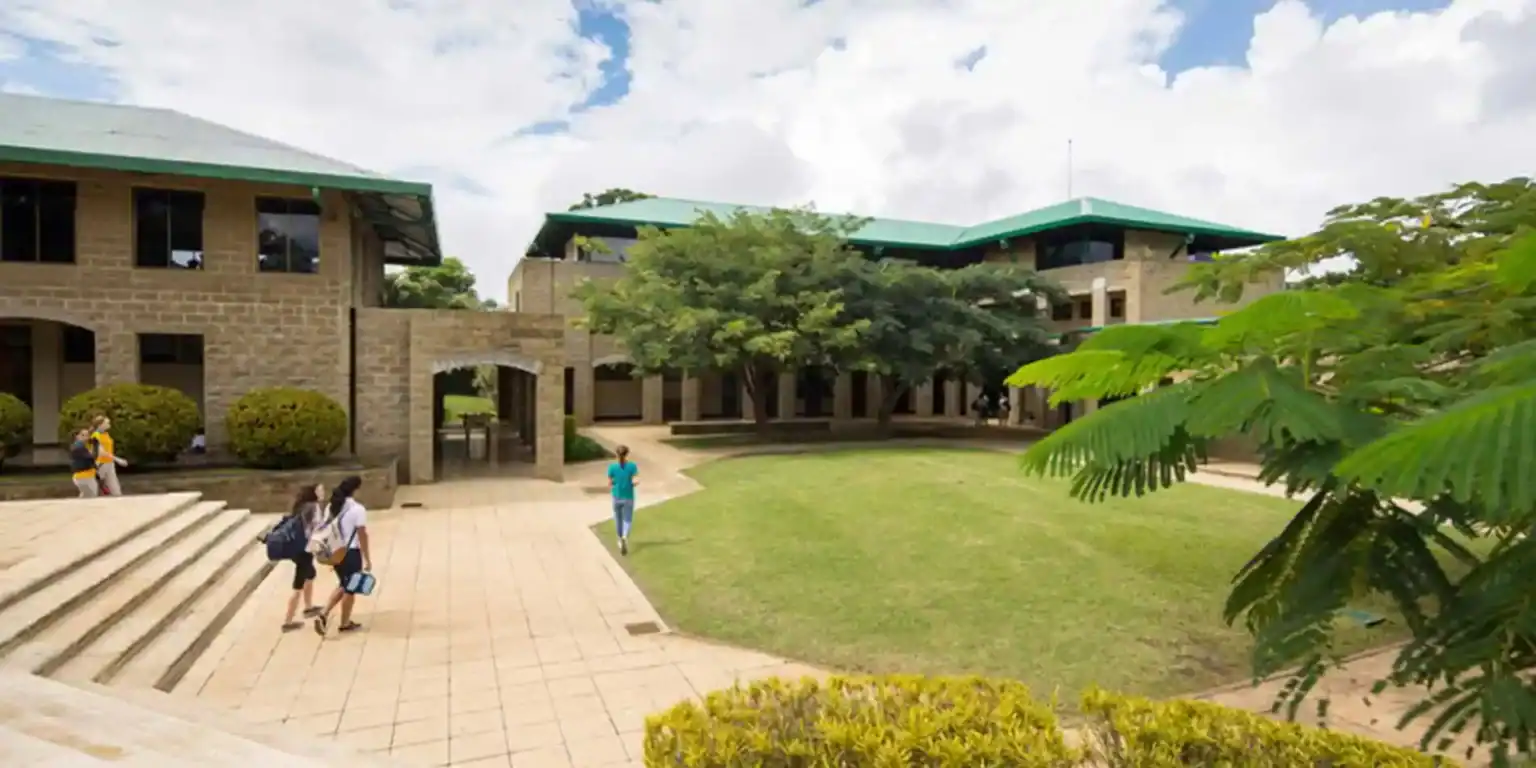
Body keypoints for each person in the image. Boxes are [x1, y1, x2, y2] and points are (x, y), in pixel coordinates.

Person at [314, 476, 370, 637]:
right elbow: (362, 535)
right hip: (351, 552)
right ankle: (343, 622)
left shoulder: (332, 506)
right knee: (350, 588)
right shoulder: (358, 509)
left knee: (344, 584)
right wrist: (367, 558)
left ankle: (324, 614)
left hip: (336, 551)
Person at [281, 484, 326, 632]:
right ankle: (287, 622)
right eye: (320, 490)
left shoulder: (301, 507)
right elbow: (317, 528)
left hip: (297, 548)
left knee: (310, 574)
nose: (323, 492)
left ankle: (308, 607)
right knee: (298, 585)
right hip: (304, 550)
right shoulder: (314, 507)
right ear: (313, 493)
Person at [607, 445, 639, 555]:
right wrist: (633, 483)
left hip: (616, 496)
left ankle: (619, 538)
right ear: (627, 454)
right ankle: (625, 536)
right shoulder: (632, 466)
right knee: (627, 519)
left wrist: (614, 485)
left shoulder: (612, 467)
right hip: (628, 497)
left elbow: (610, 483)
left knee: (618, 518)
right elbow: (635, 480)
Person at [89, 415, 127, 495]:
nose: (109, 424)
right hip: (101, 464)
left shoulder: (106, 434)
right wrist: (117, 459)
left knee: (115, 489)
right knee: (98, 487)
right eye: (107, 423)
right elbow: (101, 452)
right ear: (100, 425)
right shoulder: (95, 436)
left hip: (109, 463)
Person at [68, 427, 98, 498]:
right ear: (77, 436)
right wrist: (95, 446)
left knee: (85, 496)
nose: (86, 437)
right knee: (92, 496)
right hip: (84, 477)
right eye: (83, 435)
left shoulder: (82, 446)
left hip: (85, 476)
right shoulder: (78, 447)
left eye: (87, 435)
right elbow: (92, 457)